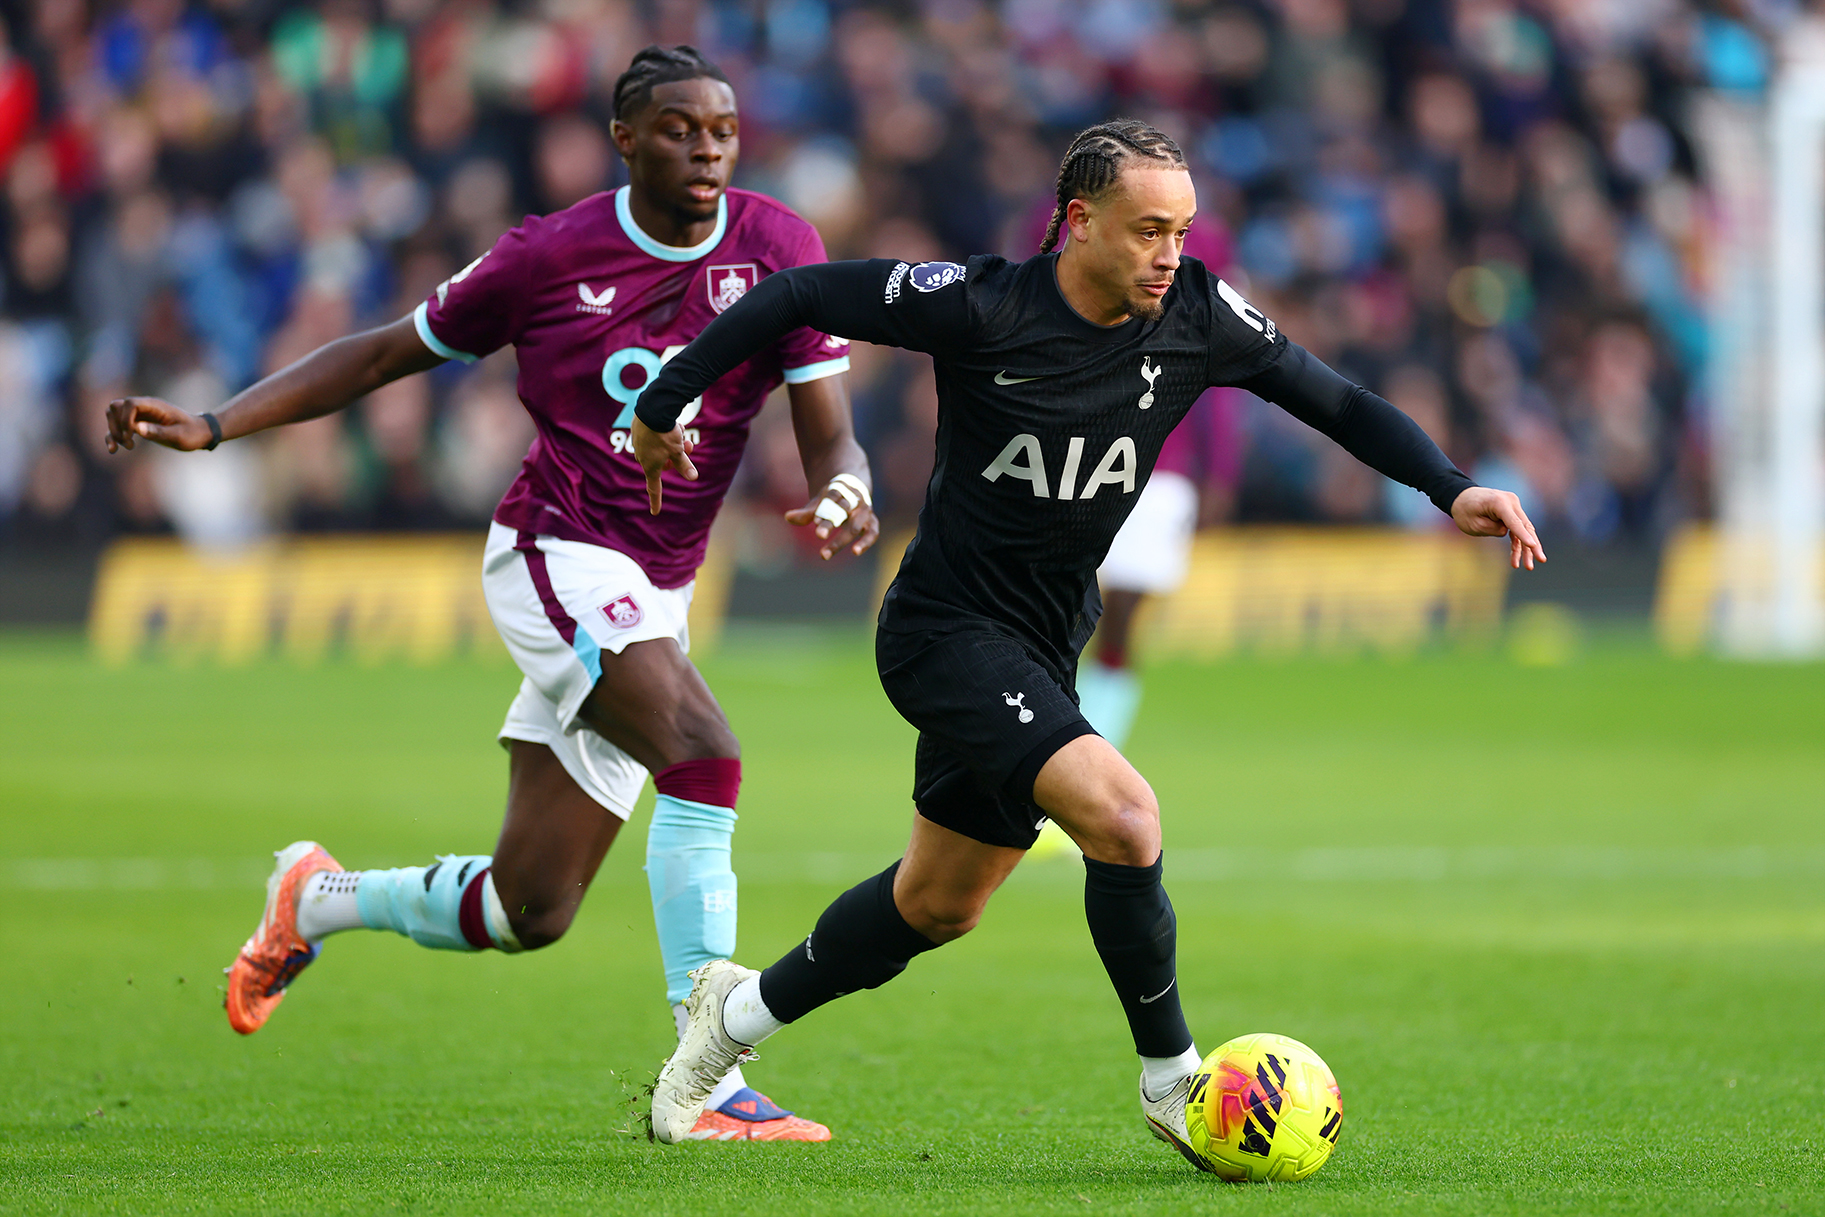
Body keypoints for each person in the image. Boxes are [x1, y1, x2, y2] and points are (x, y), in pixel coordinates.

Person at [627, 118, 1544, 1162]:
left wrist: (1454, 486)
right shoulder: (980, 305)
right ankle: (1171, 1080)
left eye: (1183, 231)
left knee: (936, 902)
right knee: (1124, 814)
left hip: (1047, 637)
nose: (1170, 253)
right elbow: (793, 295)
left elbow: (1330, 397)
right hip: (943, 631)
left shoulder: (1197, 314)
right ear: (1077, 221)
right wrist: (662, 401)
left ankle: (728, 1020)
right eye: (1148, 229)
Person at [102, 45, 875, 1143]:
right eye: (676, 128)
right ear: (624, 137)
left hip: (661, 583)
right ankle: (705, 1073)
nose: (705, 149)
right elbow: (381, 357)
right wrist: (219, 422)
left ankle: (316, 898)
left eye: (721, 130)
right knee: (704, 750)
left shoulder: (774, 244)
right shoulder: (548, 256)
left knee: (530, 907)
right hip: (556, 552)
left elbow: (827, 422)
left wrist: (845, 484)